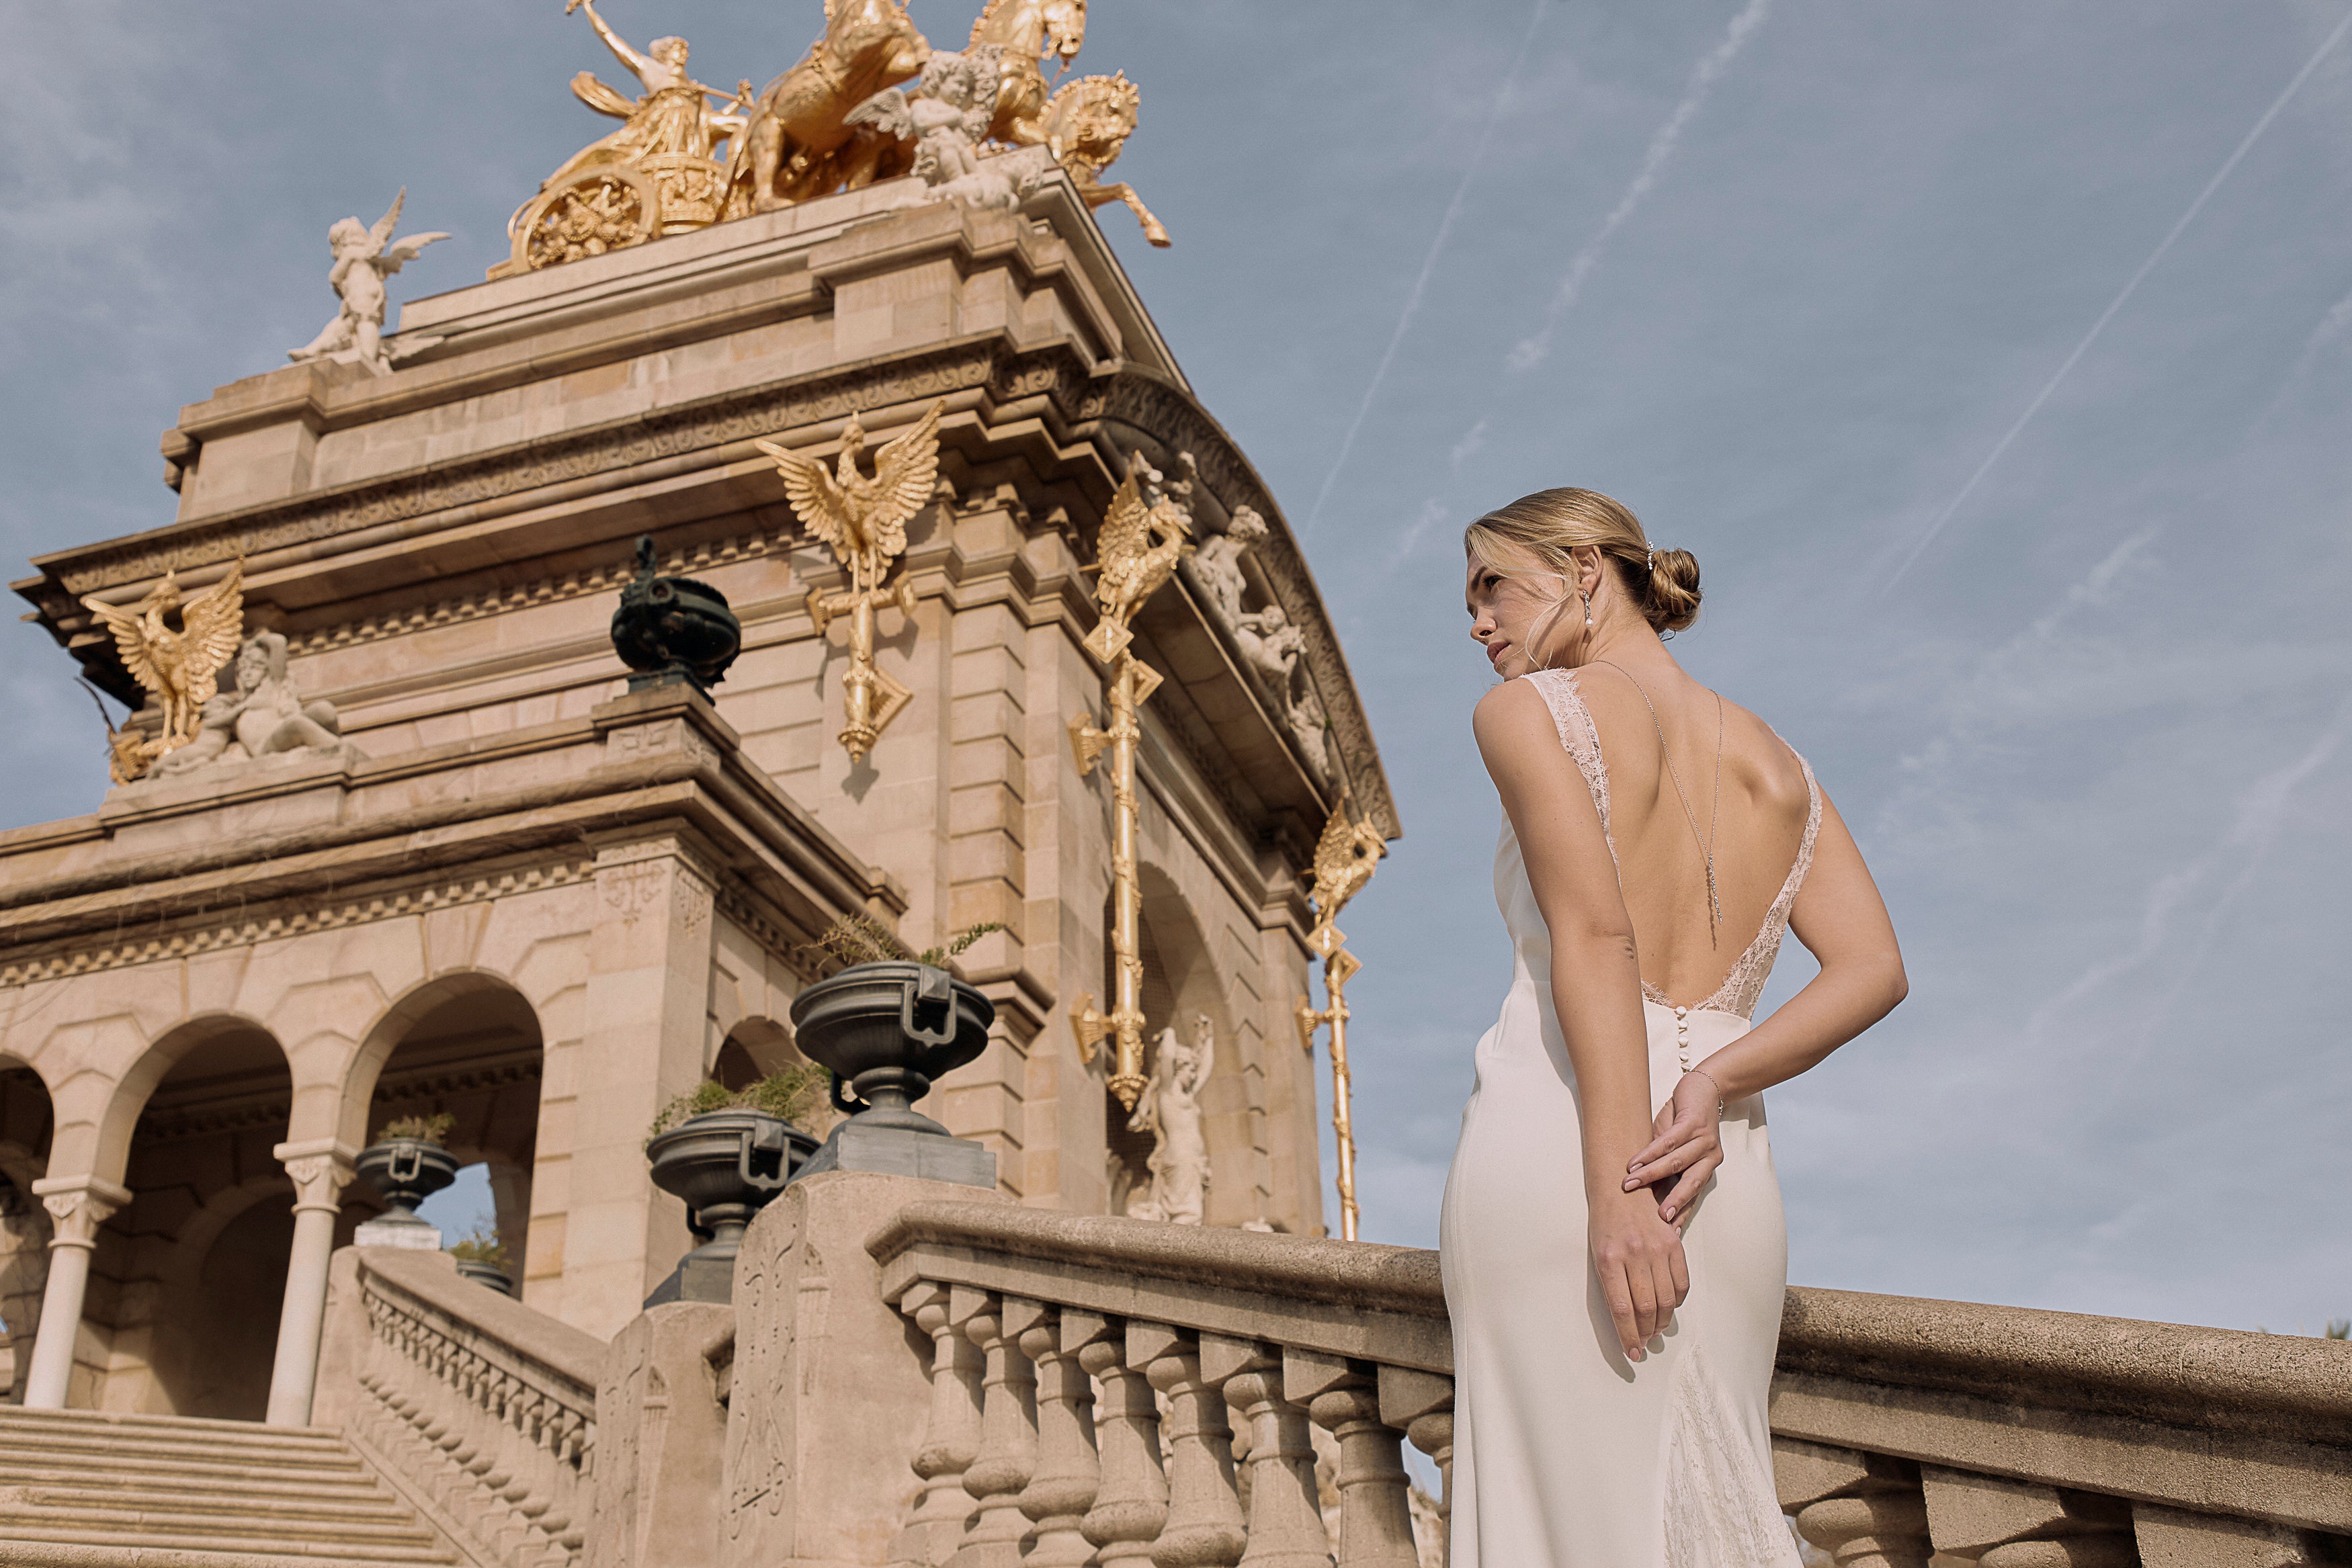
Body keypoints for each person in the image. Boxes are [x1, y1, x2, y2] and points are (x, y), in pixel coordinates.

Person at [1440, 488, 1907, 1565]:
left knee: (1564, 1524)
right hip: (1726, 1163)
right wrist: (1711, 1077)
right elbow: (1874, 968)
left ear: (1586, 568)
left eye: (1490, 585)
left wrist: (1617, 1191)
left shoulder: (1528, 713)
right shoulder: (1781, 763)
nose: (1477, 623)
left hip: (1572, 1145)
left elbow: (1595, 941)